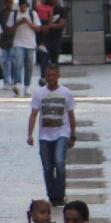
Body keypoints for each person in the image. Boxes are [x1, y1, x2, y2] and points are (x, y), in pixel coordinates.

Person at [27, 64, 77, 206]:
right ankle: (52, 195)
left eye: (54, 75)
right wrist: (30, 134)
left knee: (59, 162)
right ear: (45, 76)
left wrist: (73, 135)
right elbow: (33, 115)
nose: (51, 78)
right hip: (45, 136)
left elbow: (71, 115)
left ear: (58, 75)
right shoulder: (39, 94)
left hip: (62, 133)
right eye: (49, 75)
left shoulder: (66, 93)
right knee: (48, 167)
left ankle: (59, 194)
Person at [4, 0, 41, 97]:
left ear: (27, 6)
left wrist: (28, 23)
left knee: (29, 65)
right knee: (18, 62)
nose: (22, 8)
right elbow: (9, 29)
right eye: (21, 6)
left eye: (24, 6)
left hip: (30, 43)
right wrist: (19, 23)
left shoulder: (32, 14)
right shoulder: (14, 14)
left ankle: (27, 85)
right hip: (18, 42)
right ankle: (17, 83)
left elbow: (38, 28)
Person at [39, 0, 70, 76]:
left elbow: (63, 23)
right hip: (45, 39)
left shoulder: (60, 9)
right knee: (45, 59)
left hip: (56, 38)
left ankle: (55, 77)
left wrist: (50, 26)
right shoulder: (43, 8)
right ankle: (44, 77)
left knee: (54, 60)